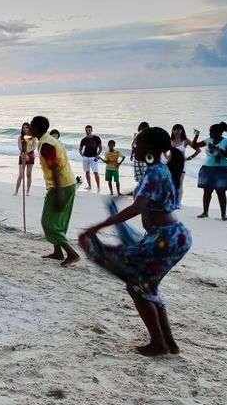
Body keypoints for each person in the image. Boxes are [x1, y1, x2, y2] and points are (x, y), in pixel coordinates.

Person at [78, 127, 190, 357]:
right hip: (174, 236)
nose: (134, 146)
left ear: (150, 147)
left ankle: (159, 343)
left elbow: (138, 207)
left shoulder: (154, 172)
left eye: (137, 143)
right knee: (147, 286)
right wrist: (122, 196)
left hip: (165, 238)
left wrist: (97, 227)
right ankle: (169, 344)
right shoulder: (159, 169)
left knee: (136, 285)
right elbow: (146, 194)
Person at [30, 116, 80, 266]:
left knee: (48, 222)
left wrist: (58, 194)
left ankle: (72, 254)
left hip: (61, 185)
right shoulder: (49, 140)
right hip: (68, 182)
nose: (30, 129)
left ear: (37, 128)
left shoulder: (46, 144)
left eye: (31, 126)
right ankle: (58, 252)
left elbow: (55, 169)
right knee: (58, 221)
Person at [189, 121, 227, 220]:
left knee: (221, 192)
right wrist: (196, 135)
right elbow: (194, 146)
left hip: (222, 169)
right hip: (207, 168)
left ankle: (223, 215)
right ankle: (205, 212)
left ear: (219, 132)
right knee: (207, 191)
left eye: (211, 131)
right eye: (210, 131)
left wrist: (218, 149)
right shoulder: (208, 140)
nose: (210, 133)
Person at [170, 124, 191, 206]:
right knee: (171, 183)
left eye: (179, 130)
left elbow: (198, 149)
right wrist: (167, 157)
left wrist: (189, 157)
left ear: (182, 130)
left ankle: (178, 202)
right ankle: (172, 201)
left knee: (179, 183)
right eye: (175, 130)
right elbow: (164, 151)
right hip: (171, 165)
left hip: (182, 165)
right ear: (172, 131)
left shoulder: (185, 140)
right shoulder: (170, 140)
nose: (177, 131)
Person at [14, 122, 36, 196]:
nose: (25, 129)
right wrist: (24, 153)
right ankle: (16, 191)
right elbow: (20, 147)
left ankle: (28, 191)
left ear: (29, 128)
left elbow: (34, 147)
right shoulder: (20, 137)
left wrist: (27, 153)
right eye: (24, 128)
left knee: (28, 174)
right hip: (22, 155)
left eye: (26, 127)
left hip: (30, 155)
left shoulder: (33, 137)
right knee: (21, 175)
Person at [79, 125, 102, 192]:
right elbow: (80, 149)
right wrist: (82, 155)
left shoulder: (97, 138)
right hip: (85, 158)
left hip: (94, 158)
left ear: (91, 130)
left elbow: (100, 148)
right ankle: (89, 186)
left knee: (95, 172)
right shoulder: (84, 139)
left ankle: (98, 187)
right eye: (86, 130)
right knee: (87, 172)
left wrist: (97, 155)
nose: (88, 131)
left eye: (89, 130)